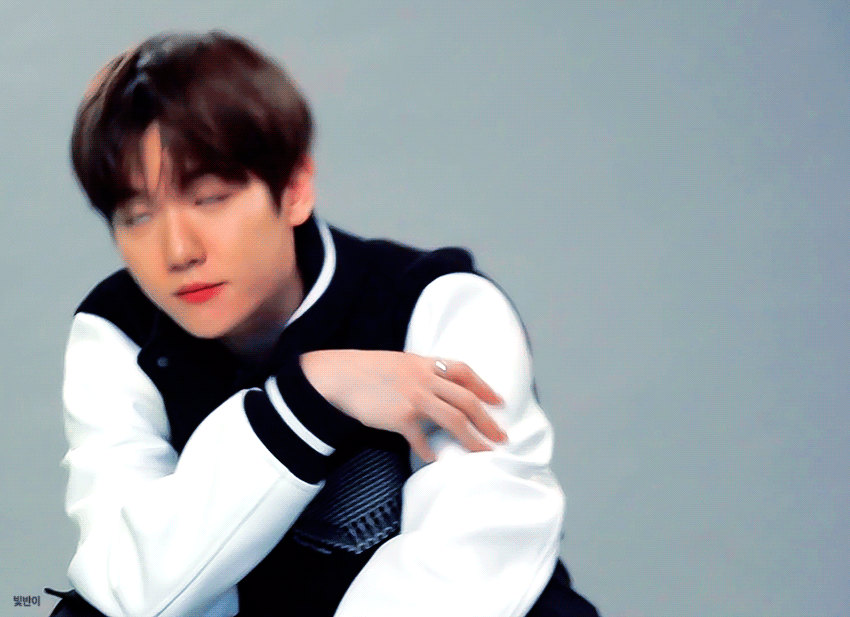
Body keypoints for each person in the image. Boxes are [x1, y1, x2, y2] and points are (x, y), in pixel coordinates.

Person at [51, 30, 599, 617]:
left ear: (294, 189)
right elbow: (128, 587)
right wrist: (306, 400)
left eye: (210, 199)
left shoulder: (438, 304)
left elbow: (469, 573)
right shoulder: (118, 332)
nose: (179, 251)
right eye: (137, 216)